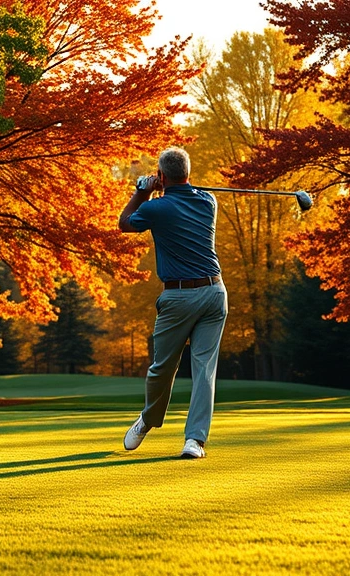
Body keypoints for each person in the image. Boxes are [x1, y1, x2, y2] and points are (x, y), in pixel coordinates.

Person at [117, 147, 228, 459]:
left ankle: (168, 429)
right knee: (200, 370)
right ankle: (187, 437)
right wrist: (163, 188)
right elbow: (182, 194)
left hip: (182, 296)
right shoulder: (209, 201)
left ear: (161, 176)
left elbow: (125, 223)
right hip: (215, 292)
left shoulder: (157, 208)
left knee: (163, 369)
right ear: (189, 174)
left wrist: (142, 192)